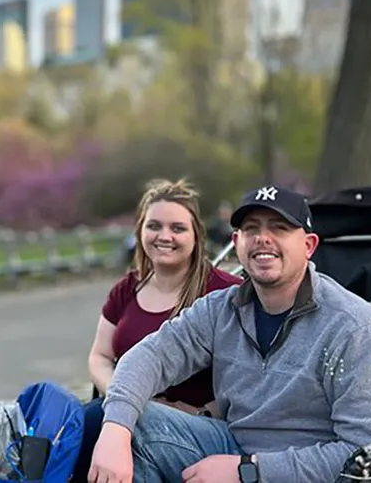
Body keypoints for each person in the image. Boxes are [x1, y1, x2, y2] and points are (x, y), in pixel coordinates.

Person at [88, 184, 371, 483]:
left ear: (309, 245)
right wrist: (115, 428)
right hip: (230, 445)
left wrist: (249, 472)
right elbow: (150, 356)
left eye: (279, 228)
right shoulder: (221, 308)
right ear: (236, 244)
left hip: (303, 471)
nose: (262, 238)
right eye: (251, 229)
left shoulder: (359, 331)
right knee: (129, 420)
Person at [73, 179, 243, 482]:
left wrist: (200, 412)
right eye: (154, 226)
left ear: (196, 236)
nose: (164, 236)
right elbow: (99, 356)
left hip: (198, 425)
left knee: (96, 419)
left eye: (177, 228)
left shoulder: (225, 293)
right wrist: (124, 398)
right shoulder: (126, 289)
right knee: (86, 421)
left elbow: (250, 378)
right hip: (128, 413)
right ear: (140, 231)